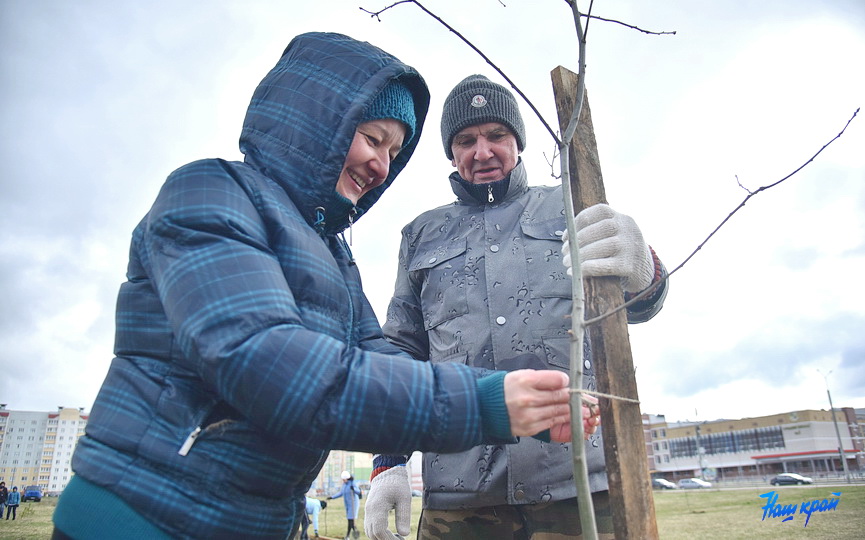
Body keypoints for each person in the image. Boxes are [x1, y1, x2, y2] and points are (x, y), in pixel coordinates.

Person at [50, 35, 575, 540]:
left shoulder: (334, 255)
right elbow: (267, 364)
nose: (381, 164)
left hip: (253, 521)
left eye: (394, 150)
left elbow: (383, 363)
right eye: (372, 139)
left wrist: (527, 402)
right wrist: (482, 405)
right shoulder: (210, 192)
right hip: (144, 517)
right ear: (317, 122)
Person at [365, 75, 669, 540]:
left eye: (496, 136)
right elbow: (402, 354)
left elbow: (637, 310)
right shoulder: (421, 236)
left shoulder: (571, 205)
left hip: (578, 482)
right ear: (451, 152)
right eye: (466, 140)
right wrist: (389, 461)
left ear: (518, 142)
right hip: (461, 493)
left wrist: (645, 269)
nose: (481, 151)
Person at [328, 471, 362, 540]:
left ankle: (348, 536)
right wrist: (332, 497)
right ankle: (355, 533)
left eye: (344, 479)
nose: (343, 480)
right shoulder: (344, 485)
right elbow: (341, 493)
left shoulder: (353, 483)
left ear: (347, 478)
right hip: (347, 505)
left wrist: (354, 489)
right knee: (350, 520)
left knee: (350, 520)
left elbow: (358, 492)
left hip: (353, 504)